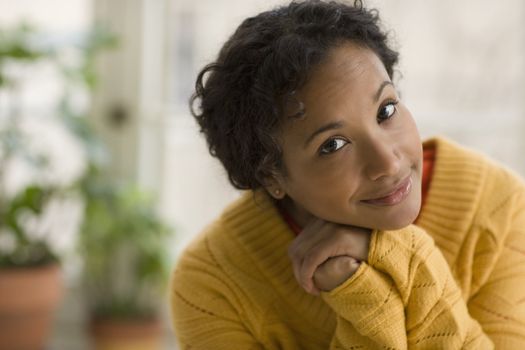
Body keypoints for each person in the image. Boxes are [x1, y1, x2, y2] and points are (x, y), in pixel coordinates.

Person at [170, 1, 525, 348]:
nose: (388, 162)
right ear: (271, 177)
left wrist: (398, 252)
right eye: (333, 145)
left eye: (386, 110)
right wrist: (363, 295)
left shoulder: (498, 205)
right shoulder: (212, 282)